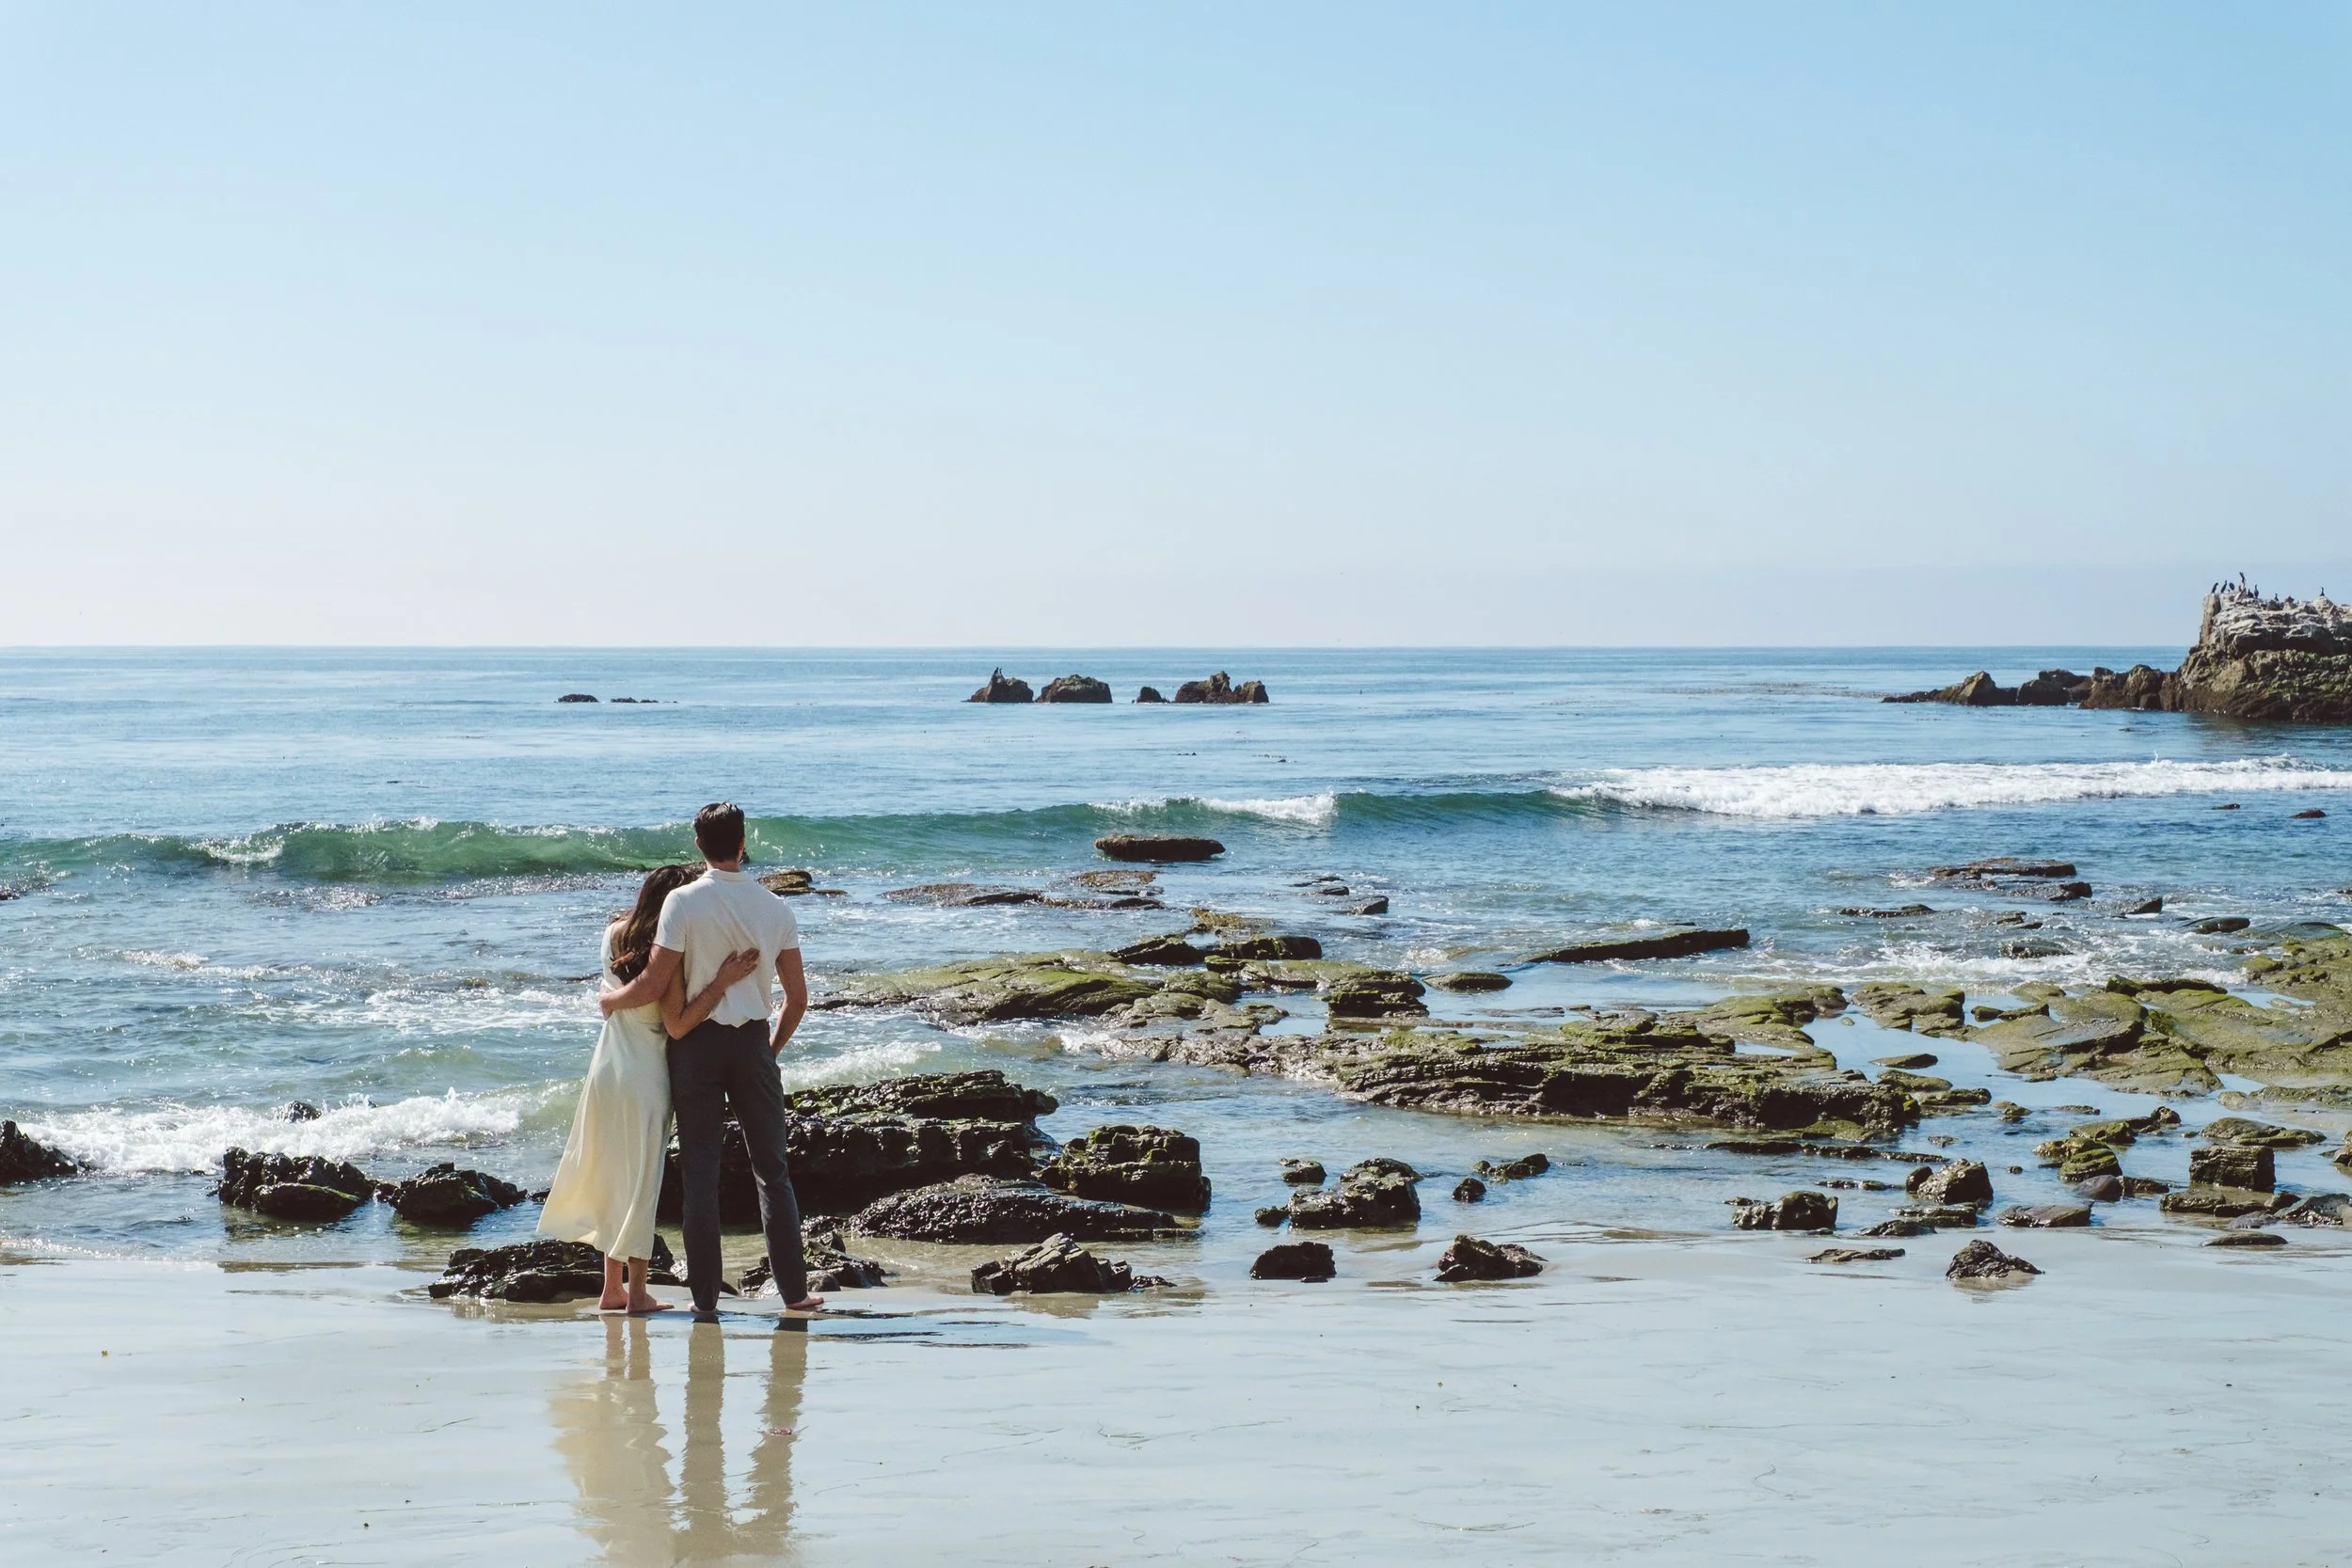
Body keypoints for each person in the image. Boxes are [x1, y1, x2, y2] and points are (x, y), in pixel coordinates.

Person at [599, 802, 820, 1319]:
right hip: (752, 1045)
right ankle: (794, 1293)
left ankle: (704, 1303)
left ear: (698, 845)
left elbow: (657, 984)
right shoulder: (777, 910)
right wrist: (768, 1051)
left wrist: (610, 1000)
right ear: (743, 842)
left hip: (694, 1048)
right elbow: (798, 998)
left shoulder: (681, 903)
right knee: (773, 1171)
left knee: (700, 1174)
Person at [538, 864, 760, 1314]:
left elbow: (621, 995)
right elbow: (677, 1024)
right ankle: (636, 1293)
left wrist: (610, 1000)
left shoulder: (614, 934)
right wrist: (720, 983)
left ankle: (611, 1289)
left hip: (606, 1067)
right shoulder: (668, 952)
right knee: (643, 1182)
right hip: (646, 1075)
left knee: (615, 1176)